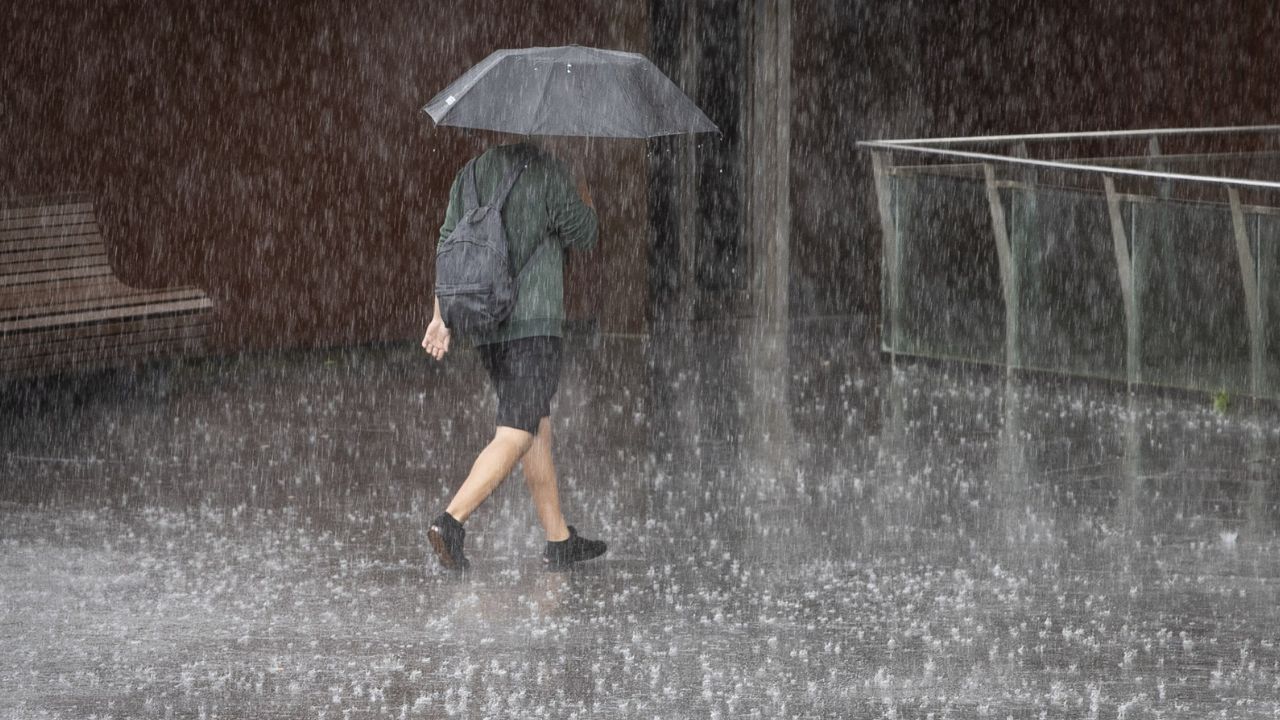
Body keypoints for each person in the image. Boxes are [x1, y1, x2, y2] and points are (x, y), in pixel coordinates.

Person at [421, 140, 607, 571]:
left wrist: (440, 316)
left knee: (534, 424)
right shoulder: (550, 172)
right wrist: (582, 188)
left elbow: (448, 248)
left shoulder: (469, 173)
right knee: (518, 431)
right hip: (533, 326)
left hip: (487, 325)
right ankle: (451, 521)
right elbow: (586, 233)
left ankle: (559, 539)